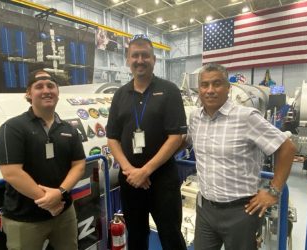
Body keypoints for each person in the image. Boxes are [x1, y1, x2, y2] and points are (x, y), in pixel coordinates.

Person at [184, 63, 296, 250]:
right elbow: (183, 140)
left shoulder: (246, 117)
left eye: (217, 83)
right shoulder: (195, 117)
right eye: (204, 85)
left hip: (241, 212)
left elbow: (287, 147)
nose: (210, 90)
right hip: (205, 209)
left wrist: (274, 192)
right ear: (199, 89)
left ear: (228, 88)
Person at [106, 34, 187, 250]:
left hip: (162, 180)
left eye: (145, 55)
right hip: (130, 180)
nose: (140, 60)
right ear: (127, 60)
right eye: (135, 56)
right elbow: (112, 137)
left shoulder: (169, 91)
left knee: (171, 235)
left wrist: (146, 171)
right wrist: (130, 170)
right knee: (137, 235)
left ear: (154, 60)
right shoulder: (120, 95)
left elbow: (176, 137)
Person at [0, 69, 86, 250]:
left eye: (51, 86)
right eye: (39, 86)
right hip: (25, 220)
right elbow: (11, 172)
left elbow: (79, 165)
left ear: (58, 92)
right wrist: (49, 201)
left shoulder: (69, 128)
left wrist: (59, 193)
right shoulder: (12, 128)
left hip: (64, 213)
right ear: (28, 94)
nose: (46, 90)